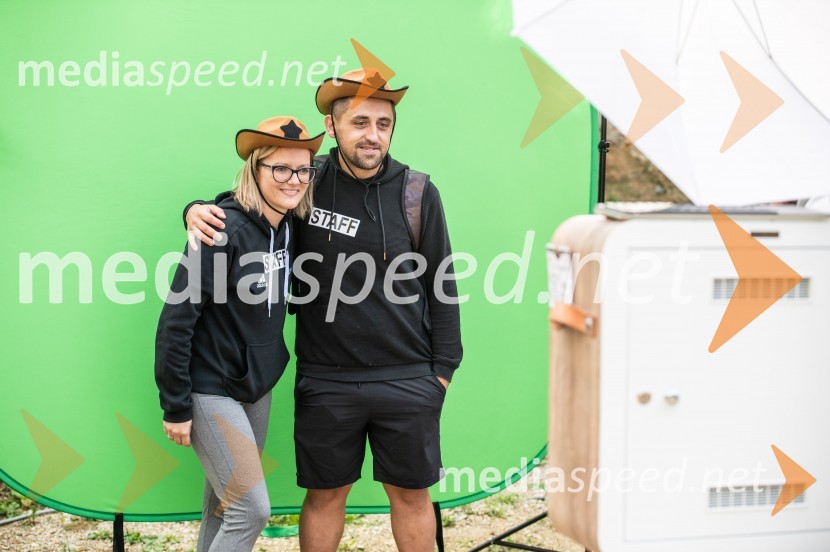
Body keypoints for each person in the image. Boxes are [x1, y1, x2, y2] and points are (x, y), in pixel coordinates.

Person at [185, 69, 463, 552]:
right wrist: (196, 208)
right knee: (325, 496)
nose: (372, 134)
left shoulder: (417, 193)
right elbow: (249, 205)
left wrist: (442, 372)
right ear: (332, 127)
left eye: (383, 123)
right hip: (326, 378)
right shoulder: (307, 180)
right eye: (359, 122)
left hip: (408, 375)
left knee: (412, 496)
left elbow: (443, 284)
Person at [155, 115, 323, 551]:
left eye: (303, 169)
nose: (294, 180)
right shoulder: (220, 230)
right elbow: (176, 320)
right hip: (212, 388)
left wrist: (192, 205)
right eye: (280, 168)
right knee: (250, 510)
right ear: (255, 168)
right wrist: (175, 404)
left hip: (256, 387)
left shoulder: (288, 224)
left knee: (224, 507)